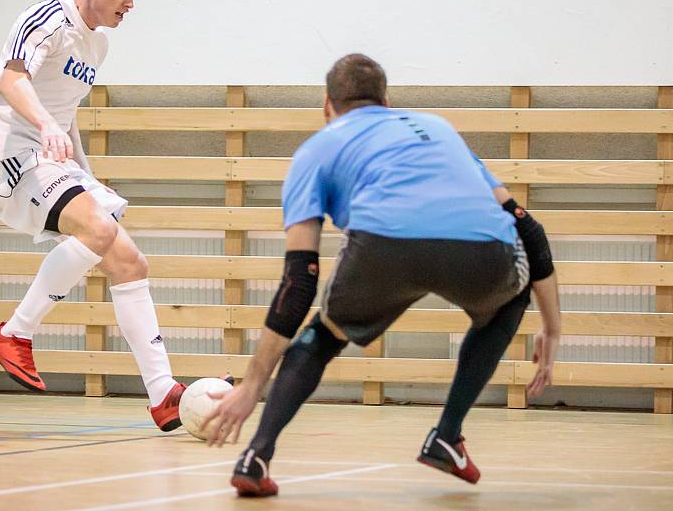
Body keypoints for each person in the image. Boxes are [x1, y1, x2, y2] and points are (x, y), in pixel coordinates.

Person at [203, 54, 562, 496]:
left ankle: (255, 456)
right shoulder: (438, 128)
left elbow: (299, 279)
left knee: (324, 336)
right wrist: (552, 330)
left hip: (383, 247)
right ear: (387, 101)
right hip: (481, 249)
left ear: (326, 106)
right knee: (510, 297)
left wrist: (252, 385)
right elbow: (529, 227)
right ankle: (447, 435)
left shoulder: (315, 150)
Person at [0, 0, 185, 432]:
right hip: (10, 153)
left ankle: (162, 395)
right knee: (100, 232)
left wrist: (84, 173)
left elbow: (64, 117)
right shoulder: (47, 17)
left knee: (131, 262)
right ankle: (15, 334)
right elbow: (11, 79)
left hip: (48, 159)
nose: (130, 3)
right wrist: (46, 125)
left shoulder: (98, 43)